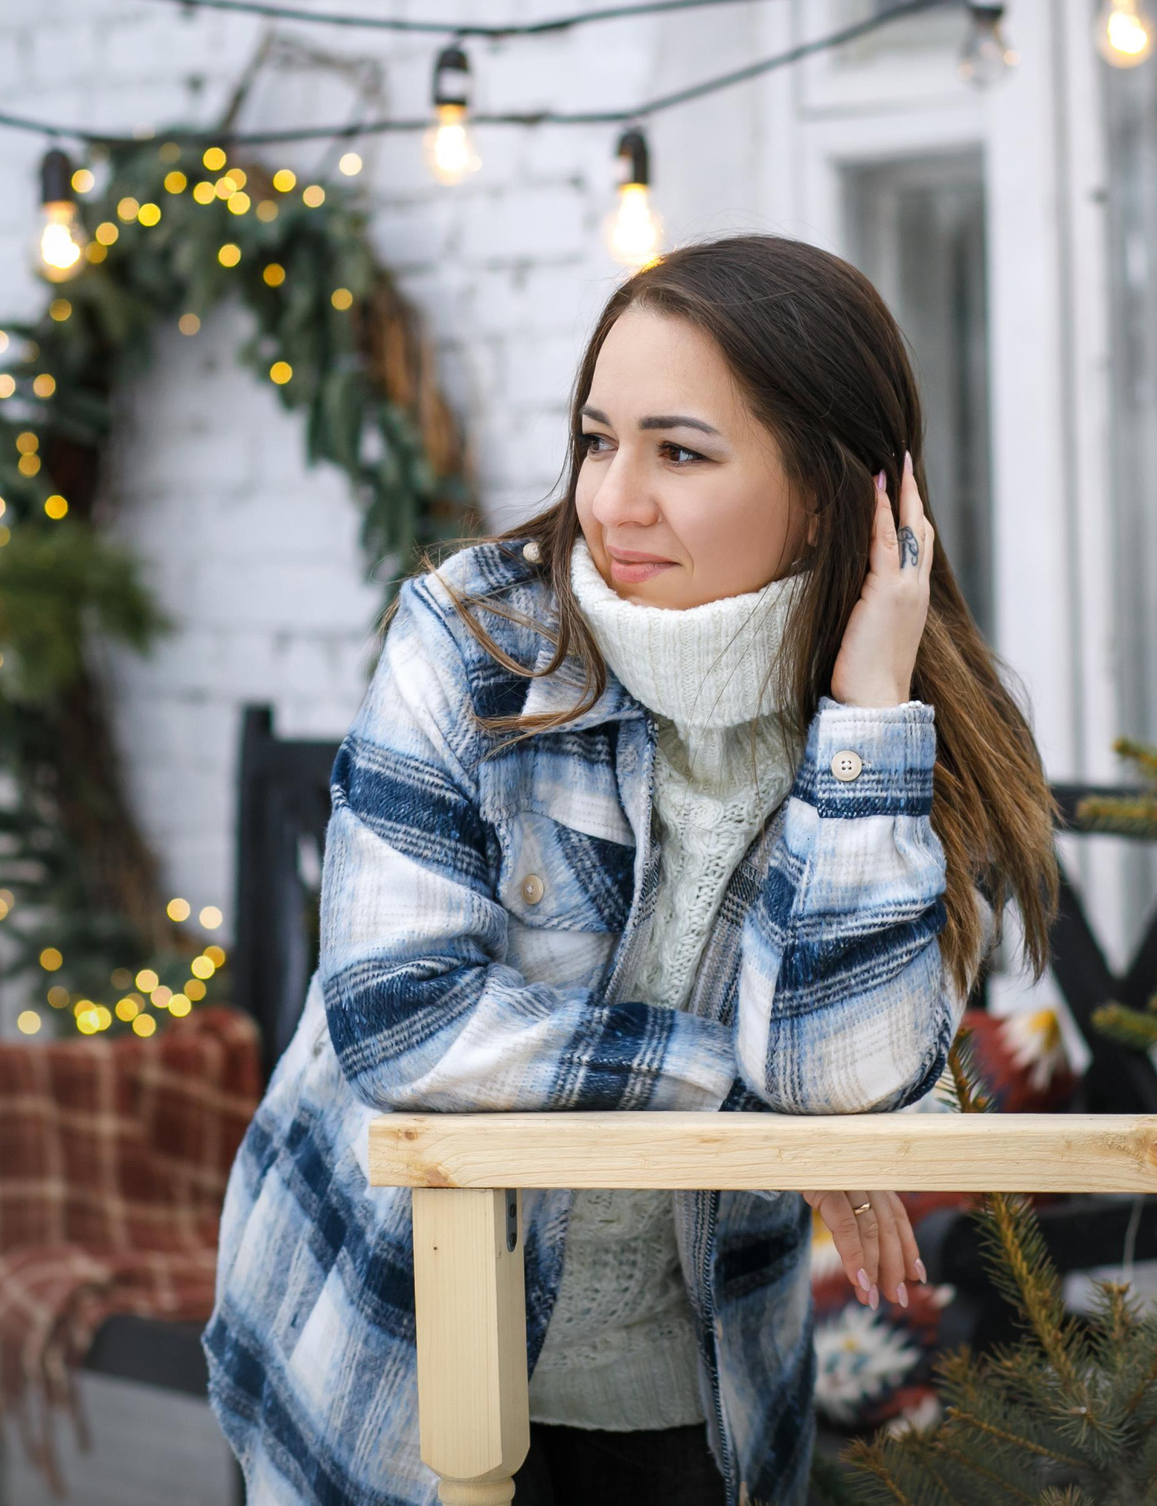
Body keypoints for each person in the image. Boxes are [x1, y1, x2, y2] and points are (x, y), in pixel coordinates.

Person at [203, 235, 1059, 1506]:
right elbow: (403, 1021)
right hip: (390, 1360)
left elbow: (839, 1082)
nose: (613, 500)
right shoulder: (477, 641)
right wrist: (745, 1109)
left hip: (696, 1392)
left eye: (680, 451)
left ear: (828, 492)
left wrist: (868, 716)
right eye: (599, 440)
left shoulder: (902, 736)